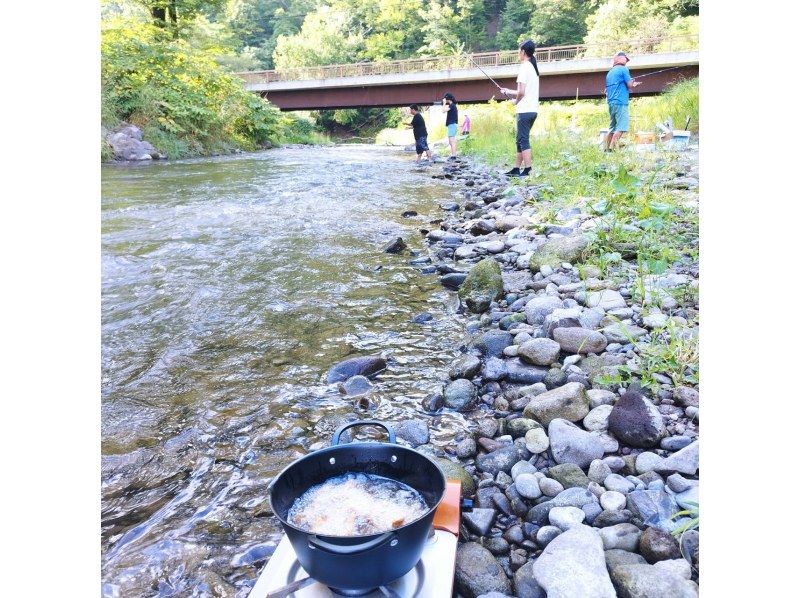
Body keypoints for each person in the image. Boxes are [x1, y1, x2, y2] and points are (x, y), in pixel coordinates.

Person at [499, 40, 540, 177]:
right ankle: (516, 168)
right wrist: (507, 91)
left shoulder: (524, 67)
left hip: (524, 110)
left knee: (523, 140)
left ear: (523, 52)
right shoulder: (532, 68)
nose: (518, 53)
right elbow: (523, 91)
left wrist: (515, 102)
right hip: (532, 110)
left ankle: (528, 169)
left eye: (519, 51)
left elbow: (521, 92)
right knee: (520, 140)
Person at [604, 51, 641, 151]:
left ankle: (606, 149)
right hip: (621, 102)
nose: (626, 61)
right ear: (619, 59)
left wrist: (631, 83)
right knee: (621, 127)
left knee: (612, 127)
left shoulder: (610, 72)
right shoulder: (624, 69)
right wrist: (633, 83)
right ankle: (611, 150)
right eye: (625, 58)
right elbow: (629, 85)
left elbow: (608, 89)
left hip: (611, 103)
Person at [441, 92, 459, 159]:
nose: (445, 99)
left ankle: (454, 155)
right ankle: (453, 154)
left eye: (445, 98)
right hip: (451, 125)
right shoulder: (452, 105)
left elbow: (443, 111)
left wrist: (444, 103)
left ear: (448, 99)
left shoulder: (452, 105)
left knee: (452, 140)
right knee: (450, 141)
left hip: (452, 125)